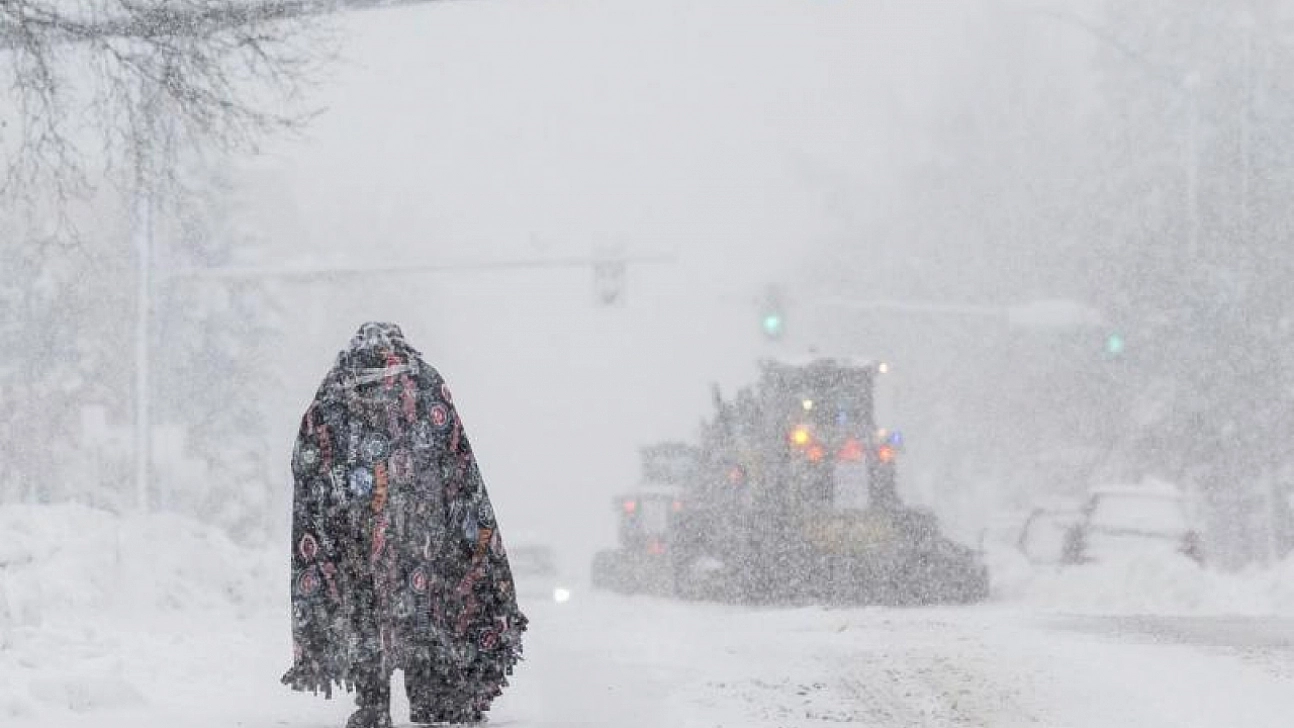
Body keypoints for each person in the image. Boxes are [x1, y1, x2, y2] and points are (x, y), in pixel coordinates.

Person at [282, 322, 527, 727]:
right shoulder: (426, 383)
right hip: (421, 532)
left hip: (355, 534)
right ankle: (432, 701)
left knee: (365, 616)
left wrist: (334, 505)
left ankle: (373, 706)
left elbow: (307, 454)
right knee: (420, 612)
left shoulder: (335, 389)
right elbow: (457, 455)